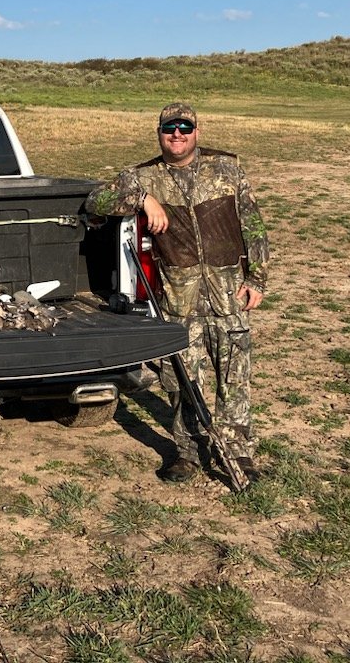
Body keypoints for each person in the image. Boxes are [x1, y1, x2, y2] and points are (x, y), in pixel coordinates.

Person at [85, 103, 270, 484]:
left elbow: (253, 227)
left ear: (197, 132)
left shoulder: (228, 168)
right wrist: (141, 197)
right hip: (177, 300)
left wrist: (257, 279)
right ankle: (188, 452)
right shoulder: (144, 176)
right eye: (170, 128)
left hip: (228, 296)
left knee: (233, 380)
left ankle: (238, 451)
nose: (178, 134)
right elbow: (95, 203)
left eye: (185, 127)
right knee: (182, 379)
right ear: (160, 133)